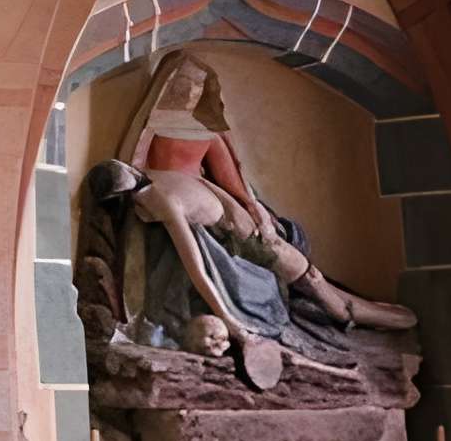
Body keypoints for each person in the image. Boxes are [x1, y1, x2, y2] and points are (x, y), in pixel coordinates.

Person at [107, 48, 416, 349]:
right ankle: (340, 306)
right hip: (194, 211)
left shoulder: (208, 130)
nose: (190, 92)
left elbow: (233, 181)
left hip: (219, 205)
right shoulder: (154, 131)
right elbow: (133, 166)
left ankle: (341, 304)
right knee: (259, 245)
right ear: (169, 84)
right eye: (184, 84)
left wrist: (255, 210)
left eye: (199, 86)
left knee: (271, 241)